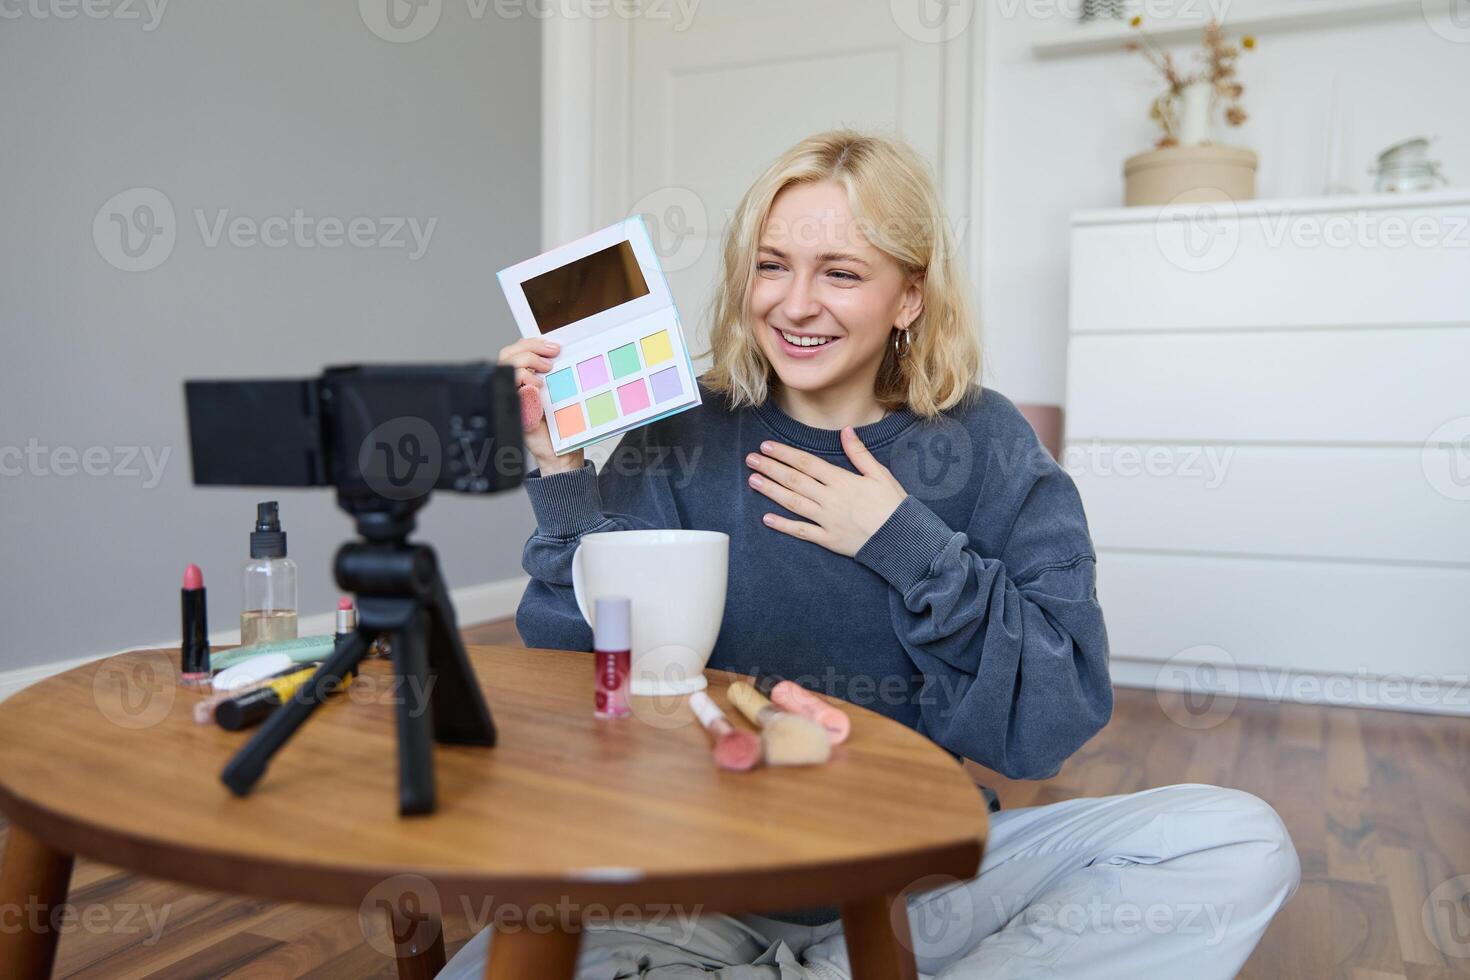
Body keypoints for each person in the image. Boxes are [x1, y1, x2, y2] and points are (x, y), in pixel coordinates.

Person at [444, 131, 1298, 979]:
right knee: (486, 968)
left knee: (1233, 842)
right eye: (771, 265)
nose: (795, 304)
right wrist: (558, 472)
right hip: (700, 882)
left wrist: (906, 542)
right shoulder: (679, 430)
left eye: (842, 273)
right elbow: (582, 677)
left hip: (916, 880)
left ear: (910, 297)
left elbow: (1050, 723)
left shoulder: (991, 444)